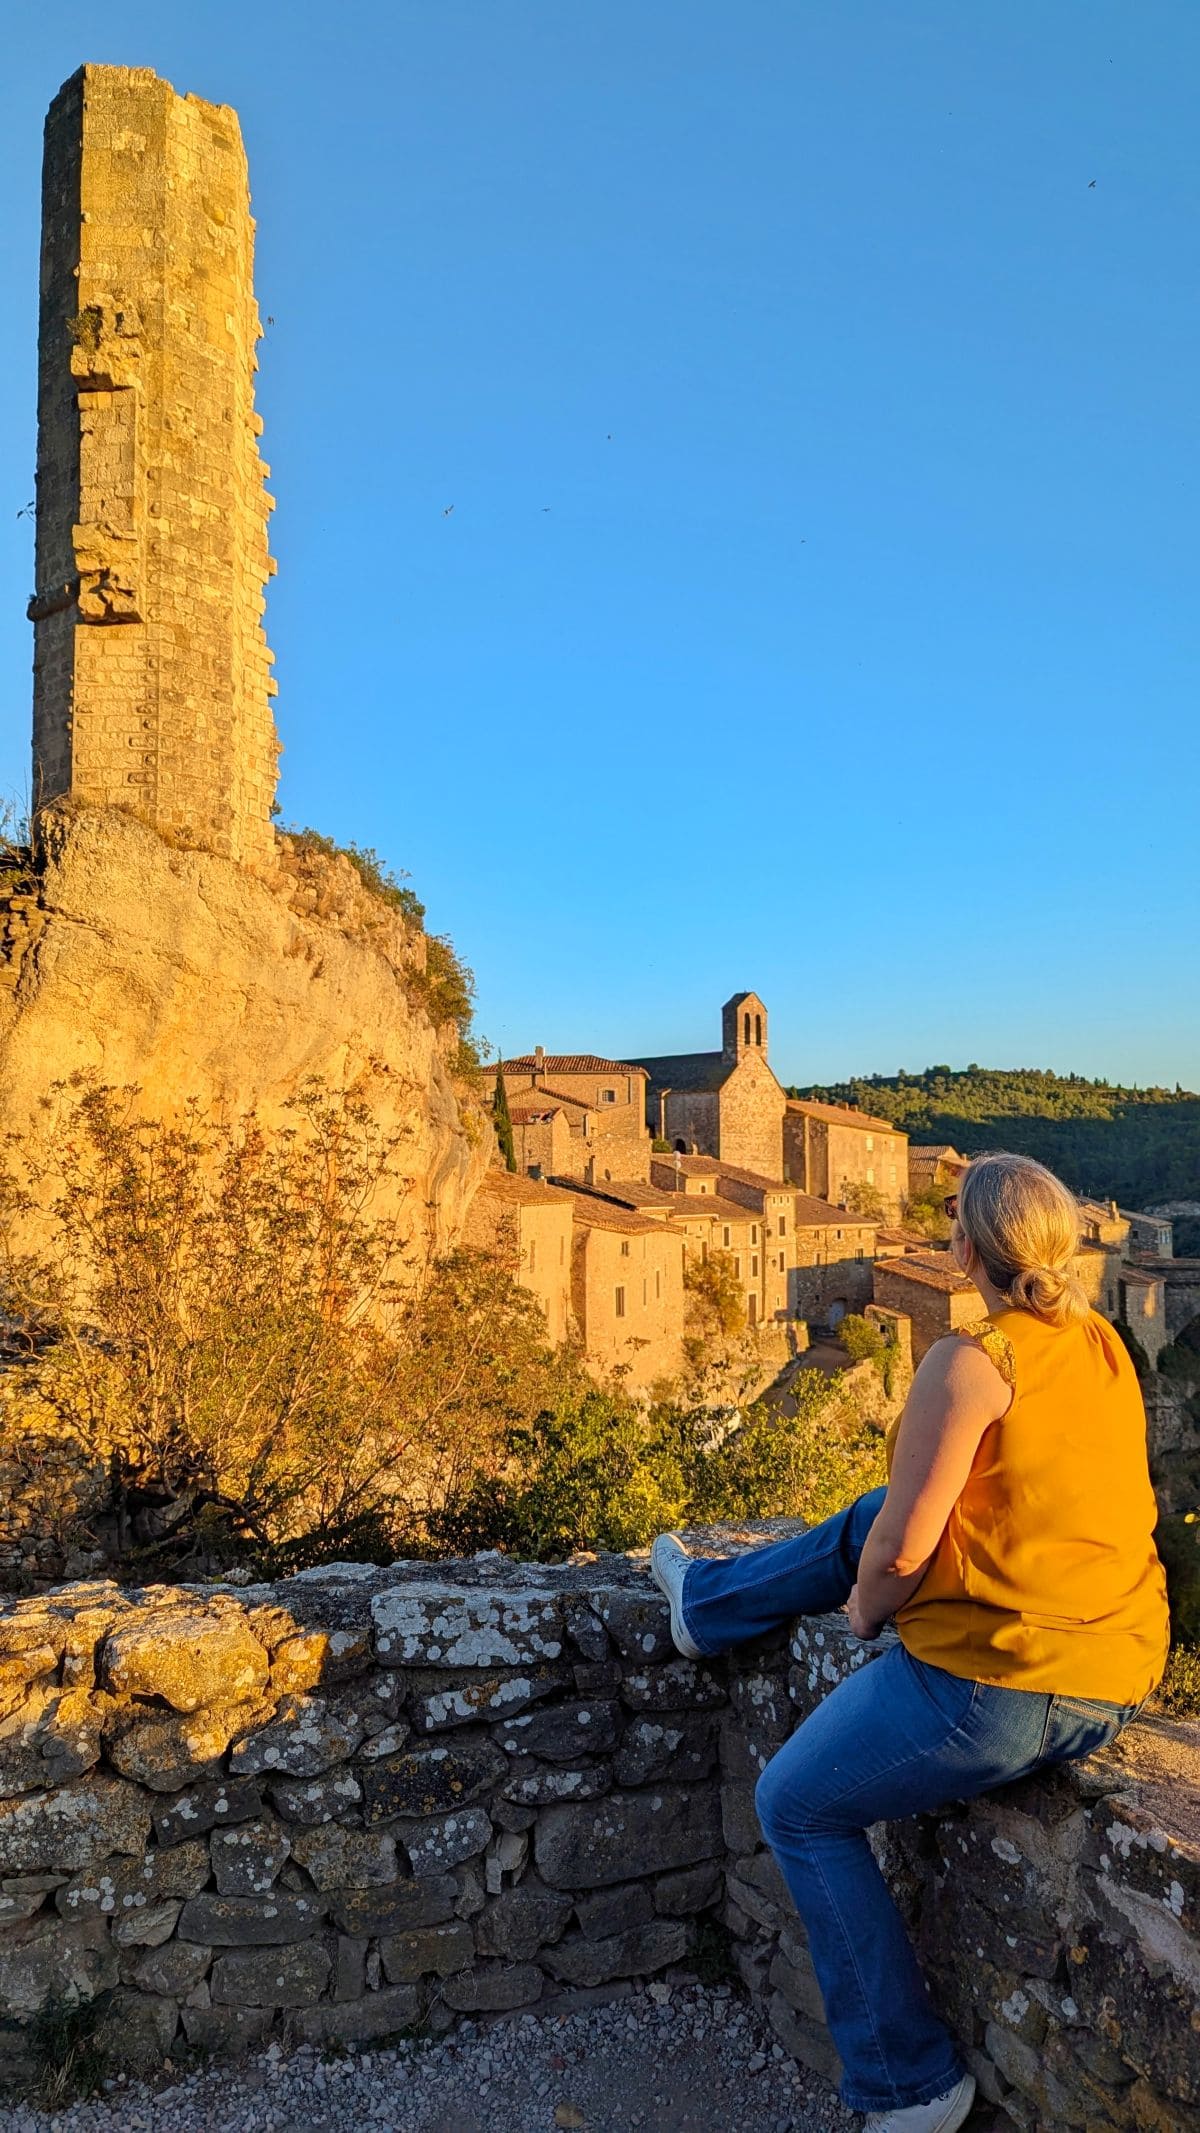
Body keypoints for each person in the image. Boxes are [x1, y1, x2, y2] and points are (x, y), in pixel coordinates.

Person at [650, 1151, 1170, 2133]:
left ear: (964, 1247)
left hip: (1001, 1684)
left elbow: (903, 1550)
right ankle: (708, 1604)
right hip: (1118, 1672)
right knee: (864, 1513)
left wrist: (866, 1614)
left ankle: (908, 2083)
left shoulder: (972, 1360)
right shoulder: (1099, 1343)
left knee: (796, 1807)